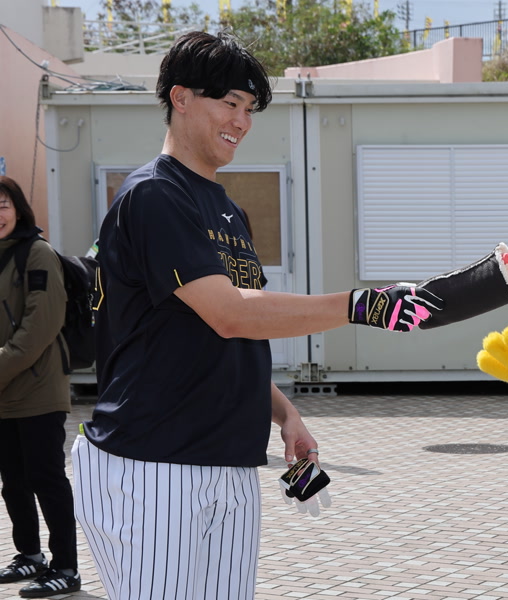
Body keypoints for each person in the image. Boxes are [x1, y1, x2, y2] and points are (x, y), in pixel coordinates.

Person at [71, 30, 443, 600]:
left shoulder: (229, 211)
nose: (241, 122)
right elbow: (229, 314)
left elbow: (236, 334)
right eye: (230, 102)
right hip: (149, 464)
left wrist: (286, 415)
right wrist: (358, 305)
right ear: (180, 98)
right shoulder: (152, 196)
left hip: (231, 463)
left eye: (249, 109)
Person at [0, 175, 81, 597]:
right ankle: (29, 555)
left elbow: (41, 325)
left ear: (18, 209)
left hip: (39, 389)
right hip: (4, 390)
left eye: (2, 206)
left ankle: (66, 567)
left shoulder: (37, 253)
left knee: (46, 478)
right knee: (13, 480)